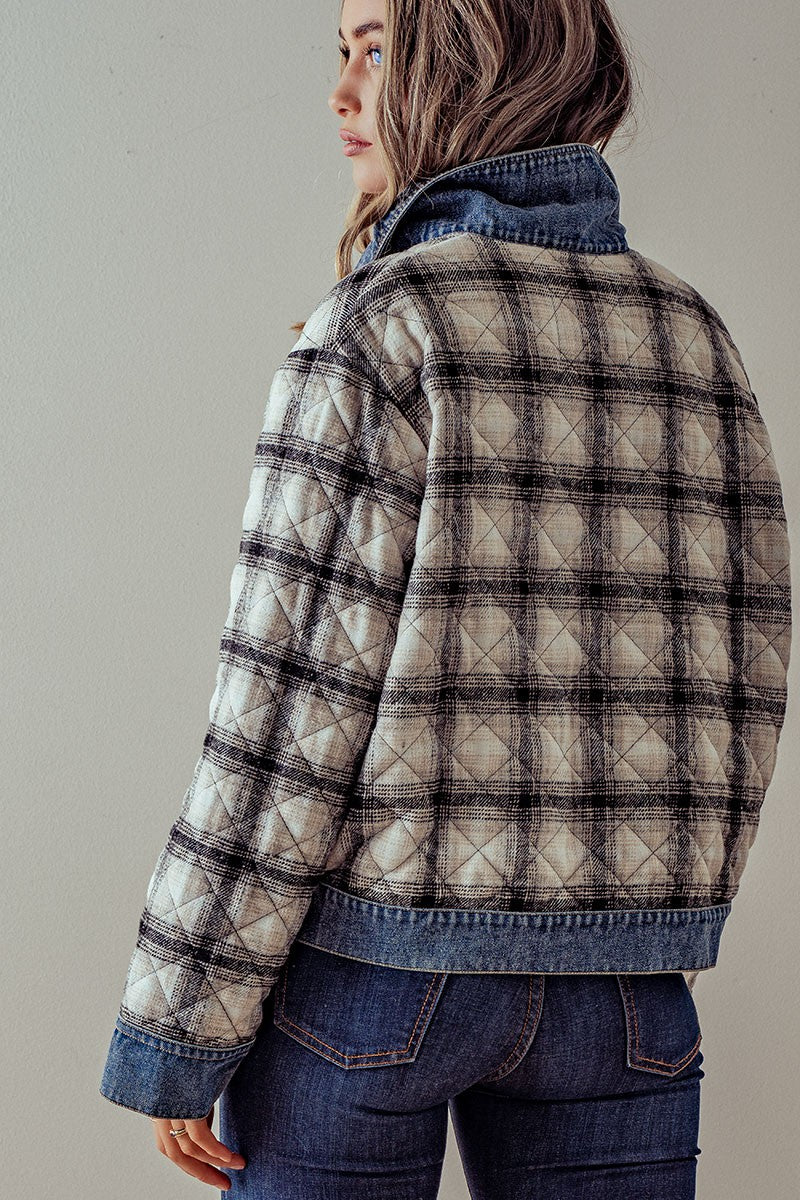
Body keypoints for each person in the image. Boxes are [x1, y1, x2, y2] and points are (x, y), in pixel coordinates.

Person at [98, 1, 793, 1197]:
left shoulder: (383, 324)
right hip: (623, 997)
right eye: (340, 53)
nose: (339, 91)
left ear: (472, 60)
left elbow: (280, 718)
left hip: (373, 982)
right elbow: (745, 669)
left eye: (374, 48)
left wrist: (178, 1028)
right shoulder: (691, 330)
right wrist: (657, 913)